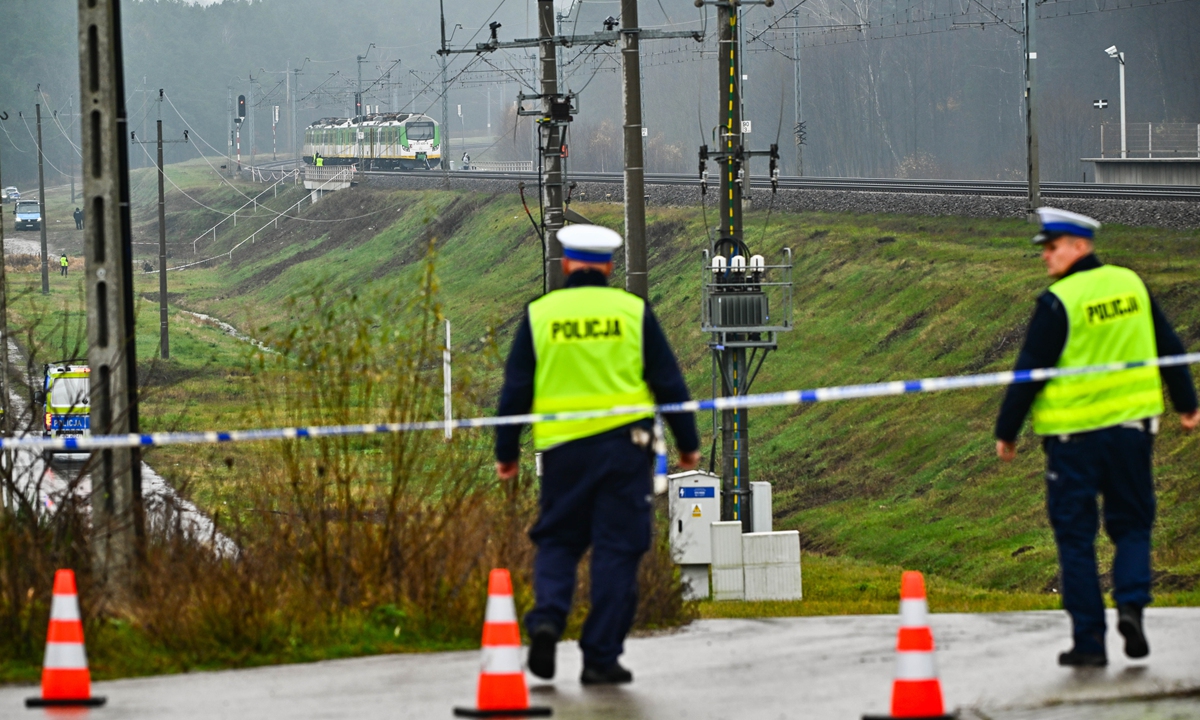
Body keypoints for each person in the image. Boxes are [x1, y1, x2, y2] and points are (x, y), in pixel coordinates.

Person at [495, 224, 700, 685]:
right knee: (617, 549)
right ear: (608, 266)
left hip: (562, 453)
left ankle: (547, 618)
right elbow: (668, 382)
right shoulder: (632, 312)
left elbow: (515, 390)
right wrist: (687, 442)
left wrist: (506, 451)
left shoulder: (540, 314)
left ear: (567, 263)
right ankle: (601, 656)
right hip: (624, 454)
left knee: (559, 540)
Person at [995, 207, 1199, 668]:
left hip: (1073, 443)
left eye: (1052, 248)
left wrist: (1006, 431)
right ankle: (1131, 605)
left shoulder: (1058, 301)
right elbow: (1169, 346)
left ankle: (1088, 642)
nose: (1046, 257)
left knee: (1075, 537)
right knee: (1131, 524)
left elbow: (1030, 371)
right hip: (1132, 433)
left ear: (1079, 247)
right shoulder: (1132, 284)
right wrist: (1188, 403)